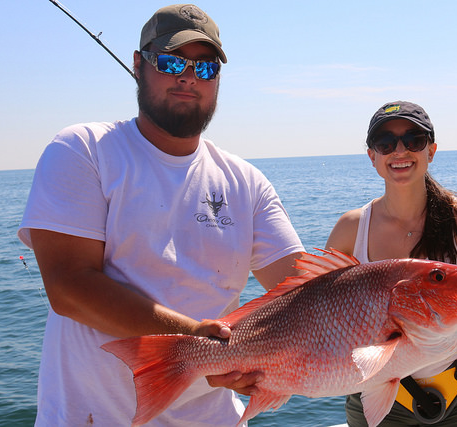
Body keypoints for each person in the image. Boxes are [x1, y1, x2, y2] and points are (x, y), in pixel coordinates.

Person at [18, 4, 304, 426]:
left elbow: (303, 292)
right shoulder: (84, 149)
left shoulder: (247, 183)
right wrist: (196, 340)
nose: (189, 77)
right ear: (139, 64)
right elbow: (69, 288)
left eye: (205, 68)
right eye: (171, 61)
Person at [325, 101, 457, 426]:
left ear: (431, 151)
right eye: (385, 143)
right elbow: (321, 316)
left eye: (413, 140)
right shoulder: (350, 229)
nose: (400, 151)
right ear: (372, 157)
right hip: (376, 399)